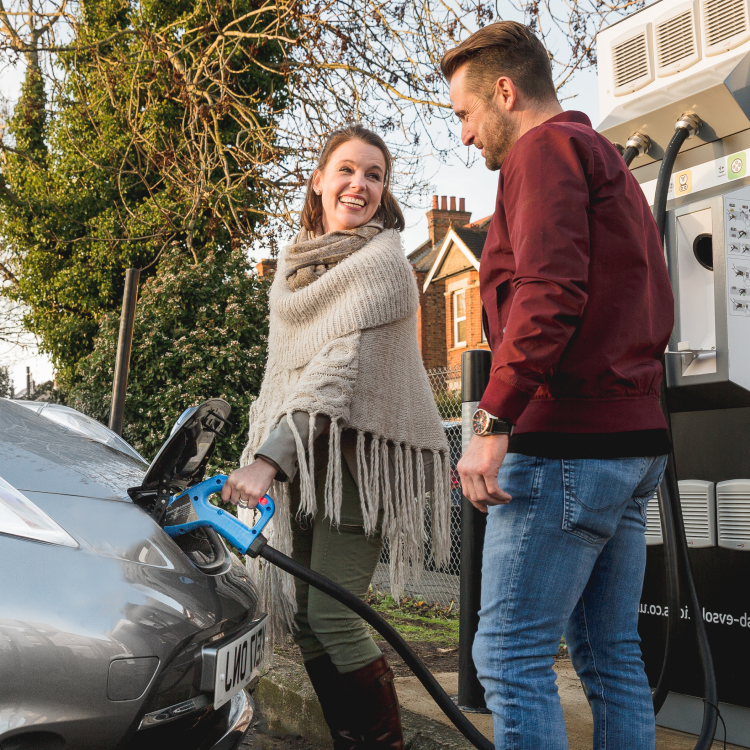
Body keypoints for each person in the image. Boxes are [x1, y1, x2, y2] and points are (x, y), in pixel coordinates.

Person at [442, 21, 674, 750]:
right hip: (632, 444)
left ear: (505, 92)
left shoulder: (542, 152)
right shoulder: (605, 161)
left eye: (465, 114)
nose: (464, 136)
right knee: (612, 658)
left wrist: (492, 422)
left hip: (567, 446)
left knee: (507, 658)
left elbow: (548, 293)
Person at [221, 124, 451, 750]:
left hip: (358, 465)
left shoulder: (383, 266)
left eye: (374, 175)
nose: (360, 185)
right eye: (347, 170)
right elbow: (283, 374)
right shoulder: (292, 273)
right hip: (306, 469)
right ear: (318, 180)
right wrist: (267, 456)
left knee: (334, 616)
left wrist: (267, 462)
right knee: (304, 620)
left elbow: (334, 374)